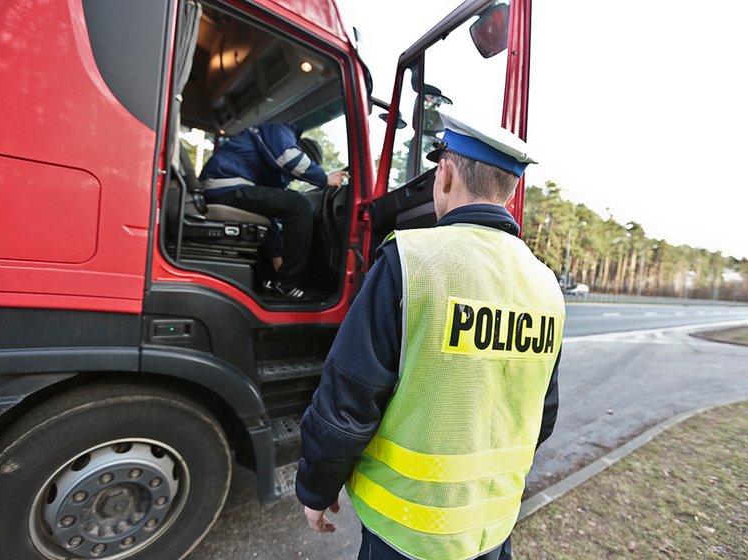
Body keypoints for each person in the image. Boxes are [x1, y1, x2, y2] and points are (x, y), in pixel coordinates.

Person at [295, 110, 565, 560]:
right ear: (509, 188)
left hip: (406, 537)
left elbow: (348, 401)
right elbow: (544, 413)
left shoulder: (409, 260)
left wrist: (316, 489)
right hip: (492, 532)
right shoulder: (545, 284)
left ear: (445, 174)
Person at [199, 122, 348, 299]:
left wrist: (276, 254)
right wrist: (324, 178)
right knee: (301, 206)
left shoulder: (271, 172)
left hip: (224, 186)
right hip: (226, 183)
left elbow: (270, 216)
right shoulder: (280, 131)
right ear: (301, 151)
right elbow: (289, 158)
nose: (292, 177)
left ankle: (268, 280)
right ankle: (287, 284)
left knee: (292, 205)